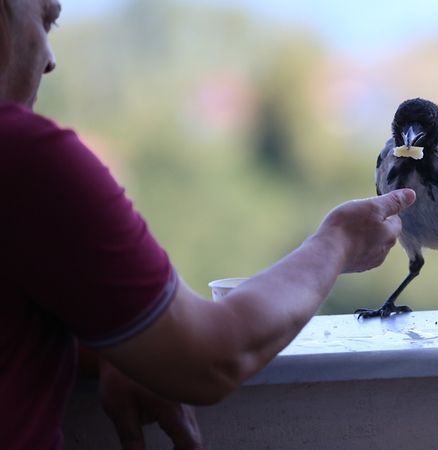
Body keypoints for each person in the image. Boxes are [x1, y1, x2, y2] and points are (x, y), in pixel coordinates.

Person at [0, 1, 416, 449]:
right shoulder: (23, 156)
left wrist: (127, 346)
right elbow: (212, 357)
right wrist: (338, 241)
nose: (49, 58)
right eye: (45, 19)